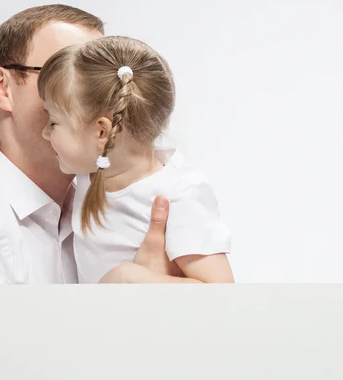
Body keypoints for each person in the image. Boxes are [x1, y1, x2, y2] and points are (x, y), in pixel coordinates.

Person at [0, 5, 193, 284]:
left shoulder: (126, 201)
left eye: (102, 80)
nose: (100, 102)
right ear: (2, 88)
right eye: (64, 73)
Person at [38, 35, 234, 283]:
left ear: (102, 132)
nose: (45, 132)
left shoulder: (178, 193)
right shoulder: (88, 175)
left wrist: (129, 279)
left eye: (53, 122)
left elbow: (223, 294)